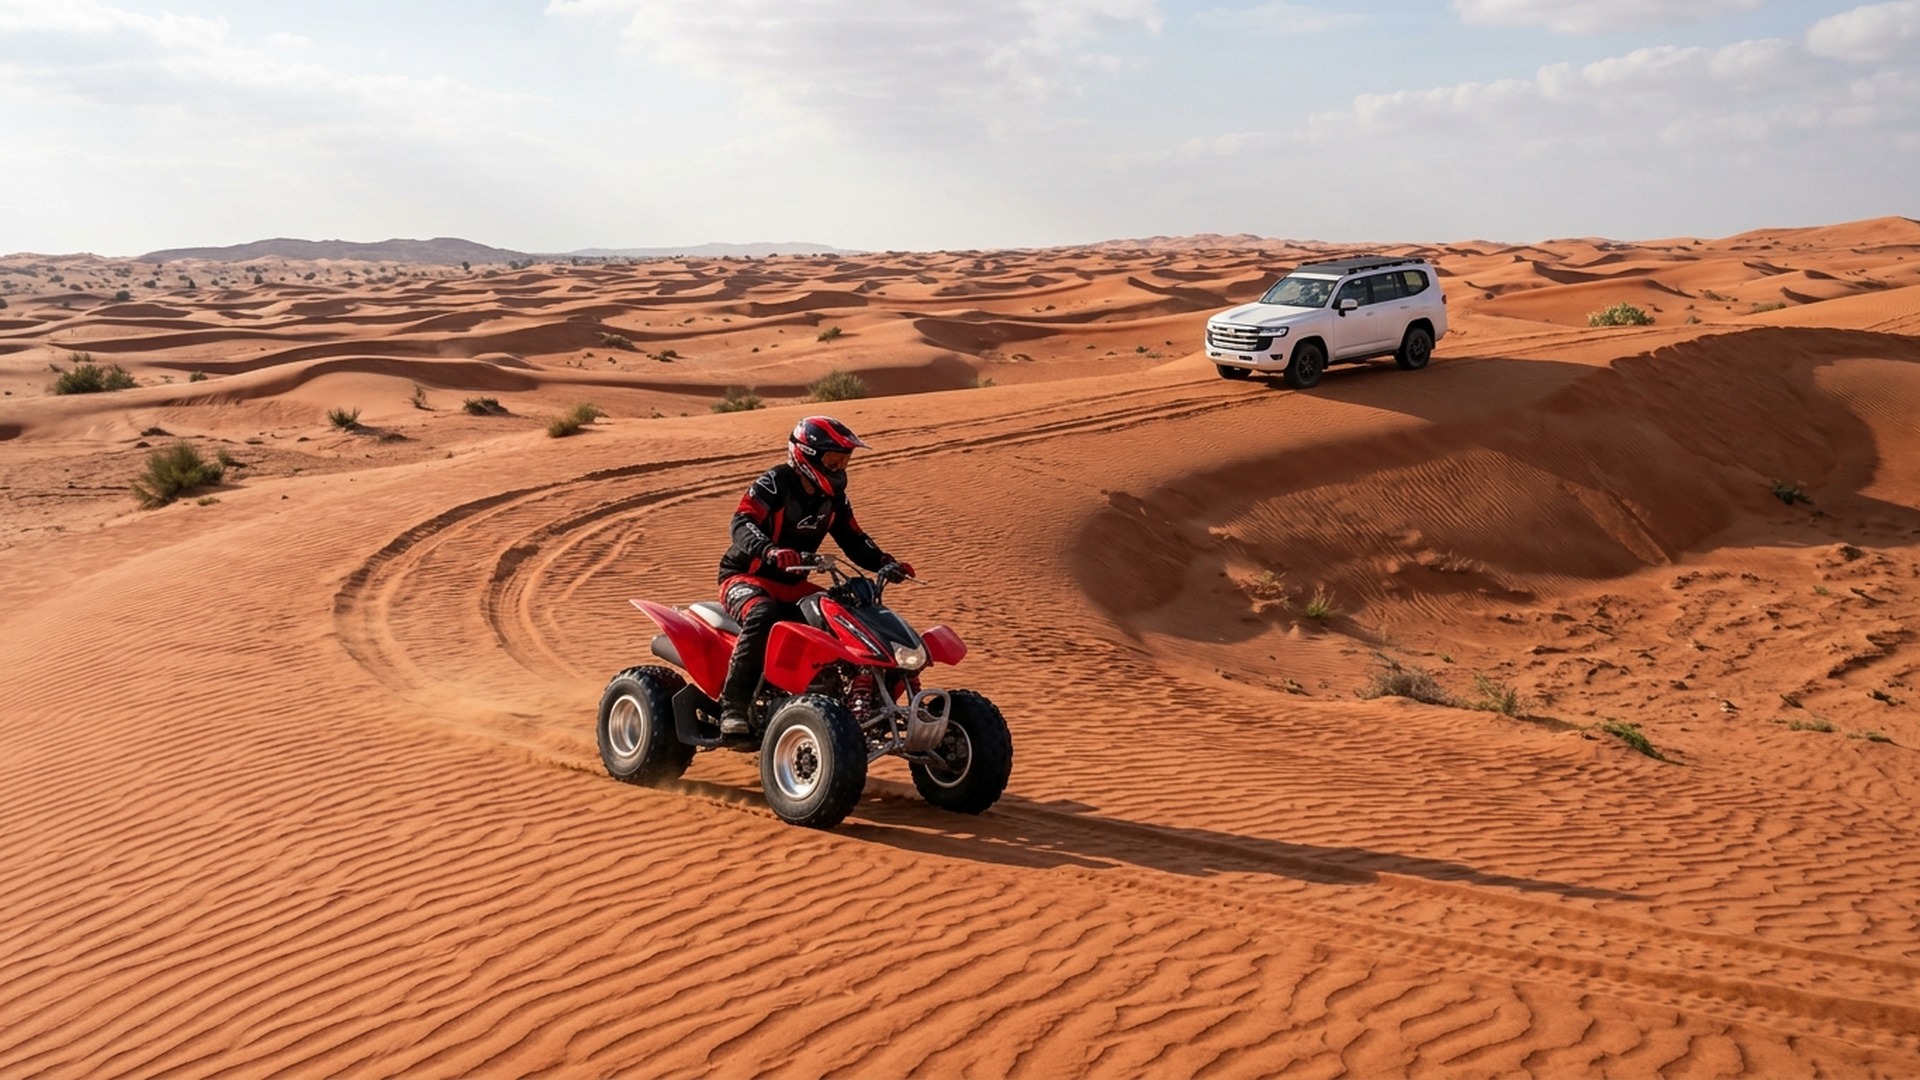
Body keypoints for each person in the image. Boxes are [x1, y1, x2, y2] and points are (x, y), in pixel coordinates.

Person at [715, 416, 913, 735]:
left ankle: (845, 697)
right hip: (745, 577)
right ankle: (733, 706)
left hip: (793, 584)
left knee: (844, 613)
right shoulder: (775, 482)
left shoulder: (832, 499)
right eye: (833, 459)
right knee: (764, 615)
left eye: (844, 459)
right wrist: (769, 550)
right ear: (806, 455)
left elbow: (853, 539)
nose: (839, 467)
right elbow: (741, 522)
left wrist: (886, 562)